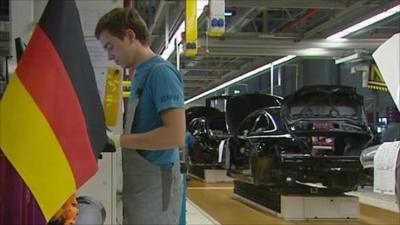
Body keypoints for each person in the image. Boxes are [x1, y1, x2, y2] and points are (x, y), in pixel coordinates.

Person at [95, 8, 185, 225]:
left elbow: (175, 135)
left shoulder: (161, 73)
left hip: (155, 182)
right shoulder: (139, 74)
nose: (109, 55)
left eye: (110, 46)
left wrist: (118, 140)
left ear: (130, 35)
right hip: (141, 182)